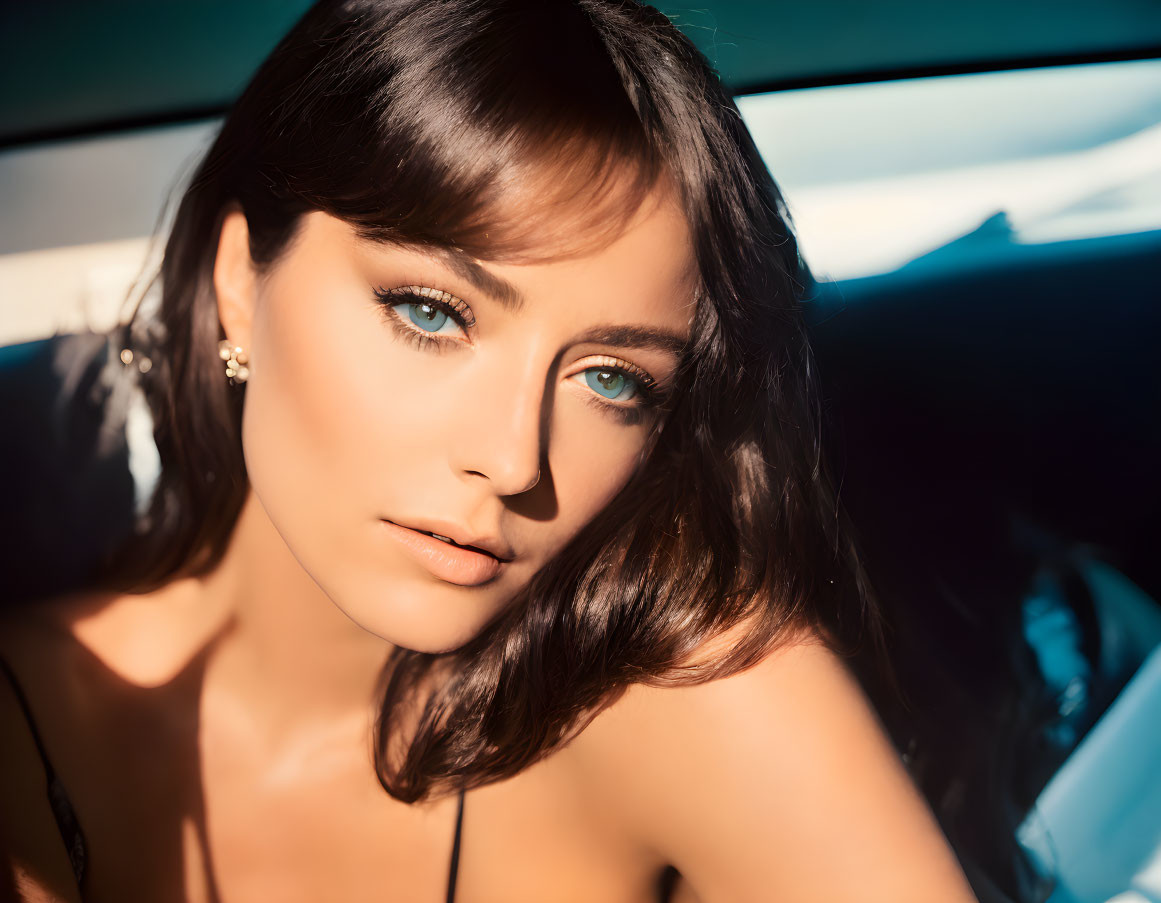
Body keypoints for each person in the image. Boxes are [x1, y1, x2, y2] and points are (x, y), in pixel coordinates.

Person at [0, 0, 984, 900]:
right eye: (431, 313)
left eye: (612, 379)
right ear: (237, 288)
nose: (515, 463)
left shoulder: (682, 690)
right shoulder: (25, 721)